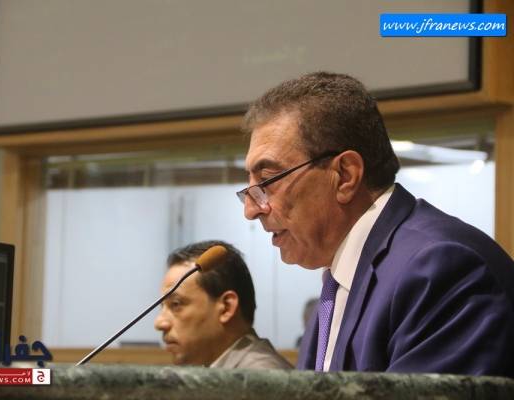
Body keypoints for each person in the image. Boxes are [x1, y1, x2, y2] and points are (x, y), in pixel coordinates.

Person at [237, 71, 514, 376]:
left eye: (267, 181)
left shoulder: (439, 268)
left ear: (345, 175)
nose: (251, 210)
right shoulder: (337, 282)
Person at [154, 240, 293, 369]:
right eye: (162, 307)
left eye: (176, 304)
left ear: (226, 307)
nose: (159, 323)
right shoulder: (221, 371)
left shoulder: (261, 377)